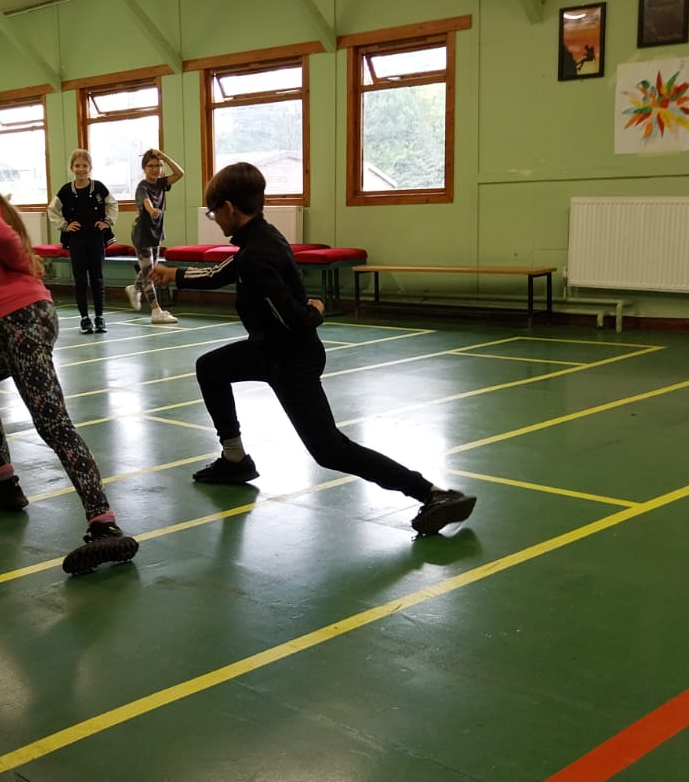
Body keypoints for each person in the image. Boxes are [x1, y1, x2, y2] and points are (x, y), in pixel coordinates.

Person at [151, 162, 477, 537]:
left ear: (228, 207)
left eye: (213, 213)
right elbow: (223, 271)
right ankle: (234, 459)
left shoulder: (256, 254)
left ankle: (433, 494)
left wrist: (316, 310)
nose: (214, 219)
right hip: (268, 349)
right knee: (210, 367)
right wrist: (174, 275)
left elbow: (295, 321)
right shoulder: (261, 237)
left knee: (329, 450)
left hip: (291, 358)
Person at [0, 126, 137, 576]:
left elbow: (3, 239)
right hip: (27, 320)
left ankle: (104, 524)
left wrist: (26, 262)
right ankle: (4, 482)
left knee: (53, 423)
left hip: (22, 323)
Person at [48, 148, 117, 333]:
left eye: (85, 166)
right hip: (76, 240)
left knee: (97, 279)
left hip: (96, 239)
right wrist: (64, 225)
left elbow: (112, 205)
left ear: (90, 168)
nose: (81, 169)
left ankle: (100, 317)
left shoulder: (99, 188)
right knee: (80, 280)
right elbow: (52, 210)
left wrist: (107, 222)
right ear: (72, 167)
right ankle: (84, 319)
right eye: (77, 165)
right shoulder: (66, 191)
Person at [127, 147, 183, 324]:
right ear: (144, 168)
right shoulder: (142, 186)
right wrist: (152, 211)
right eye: (150, 166)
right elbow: (146, 201)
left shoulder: (161, 183)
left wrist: (164, 157)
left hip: (156, 232)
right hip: (142, 233)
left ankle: (134, 288)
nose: (155, 169)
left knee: (151, 269)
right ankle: (155, 311)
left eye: (158, 165)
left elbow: (180, 173)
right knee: (149, 273)